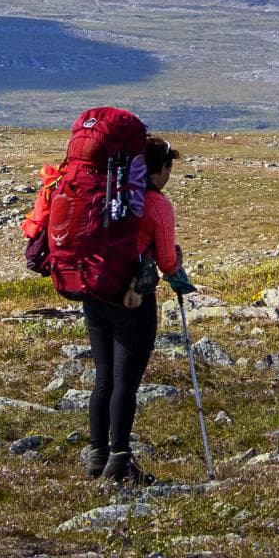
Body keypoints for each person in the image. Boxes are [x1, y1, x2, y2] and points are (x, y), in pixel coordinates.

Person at [83, 135, 190, 483]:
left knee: (103, 377)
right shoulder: (156, 204)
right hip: (131, 298)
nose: (169, 174)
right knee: (124, 383)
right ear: (160, 169)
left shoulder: (108, 193)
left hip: (95, 291)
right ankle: (119, 461)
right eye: (168, 167)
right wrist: (179, 272)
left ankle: (97, 456)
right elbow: (167, 260)